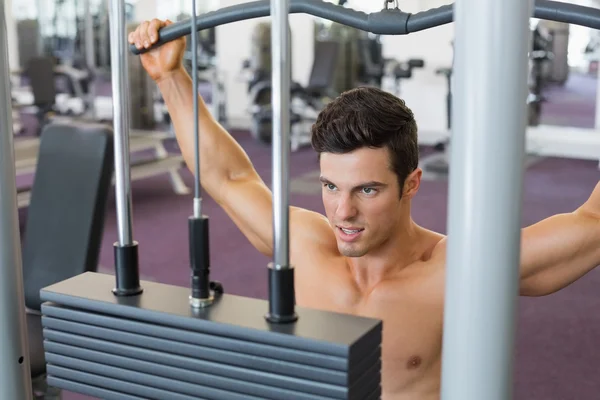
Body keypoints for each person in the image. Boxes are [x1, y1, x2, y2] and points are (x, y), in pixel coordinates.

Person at [129, 20, 600, 400]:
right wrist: (171, 76)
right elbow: (227, 178)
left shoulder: (458, 271)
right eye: (331, 186)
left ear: (411, 183)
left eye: (368, 191)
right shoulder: (306, 244)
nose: (343, 212)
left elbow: (592, 224)